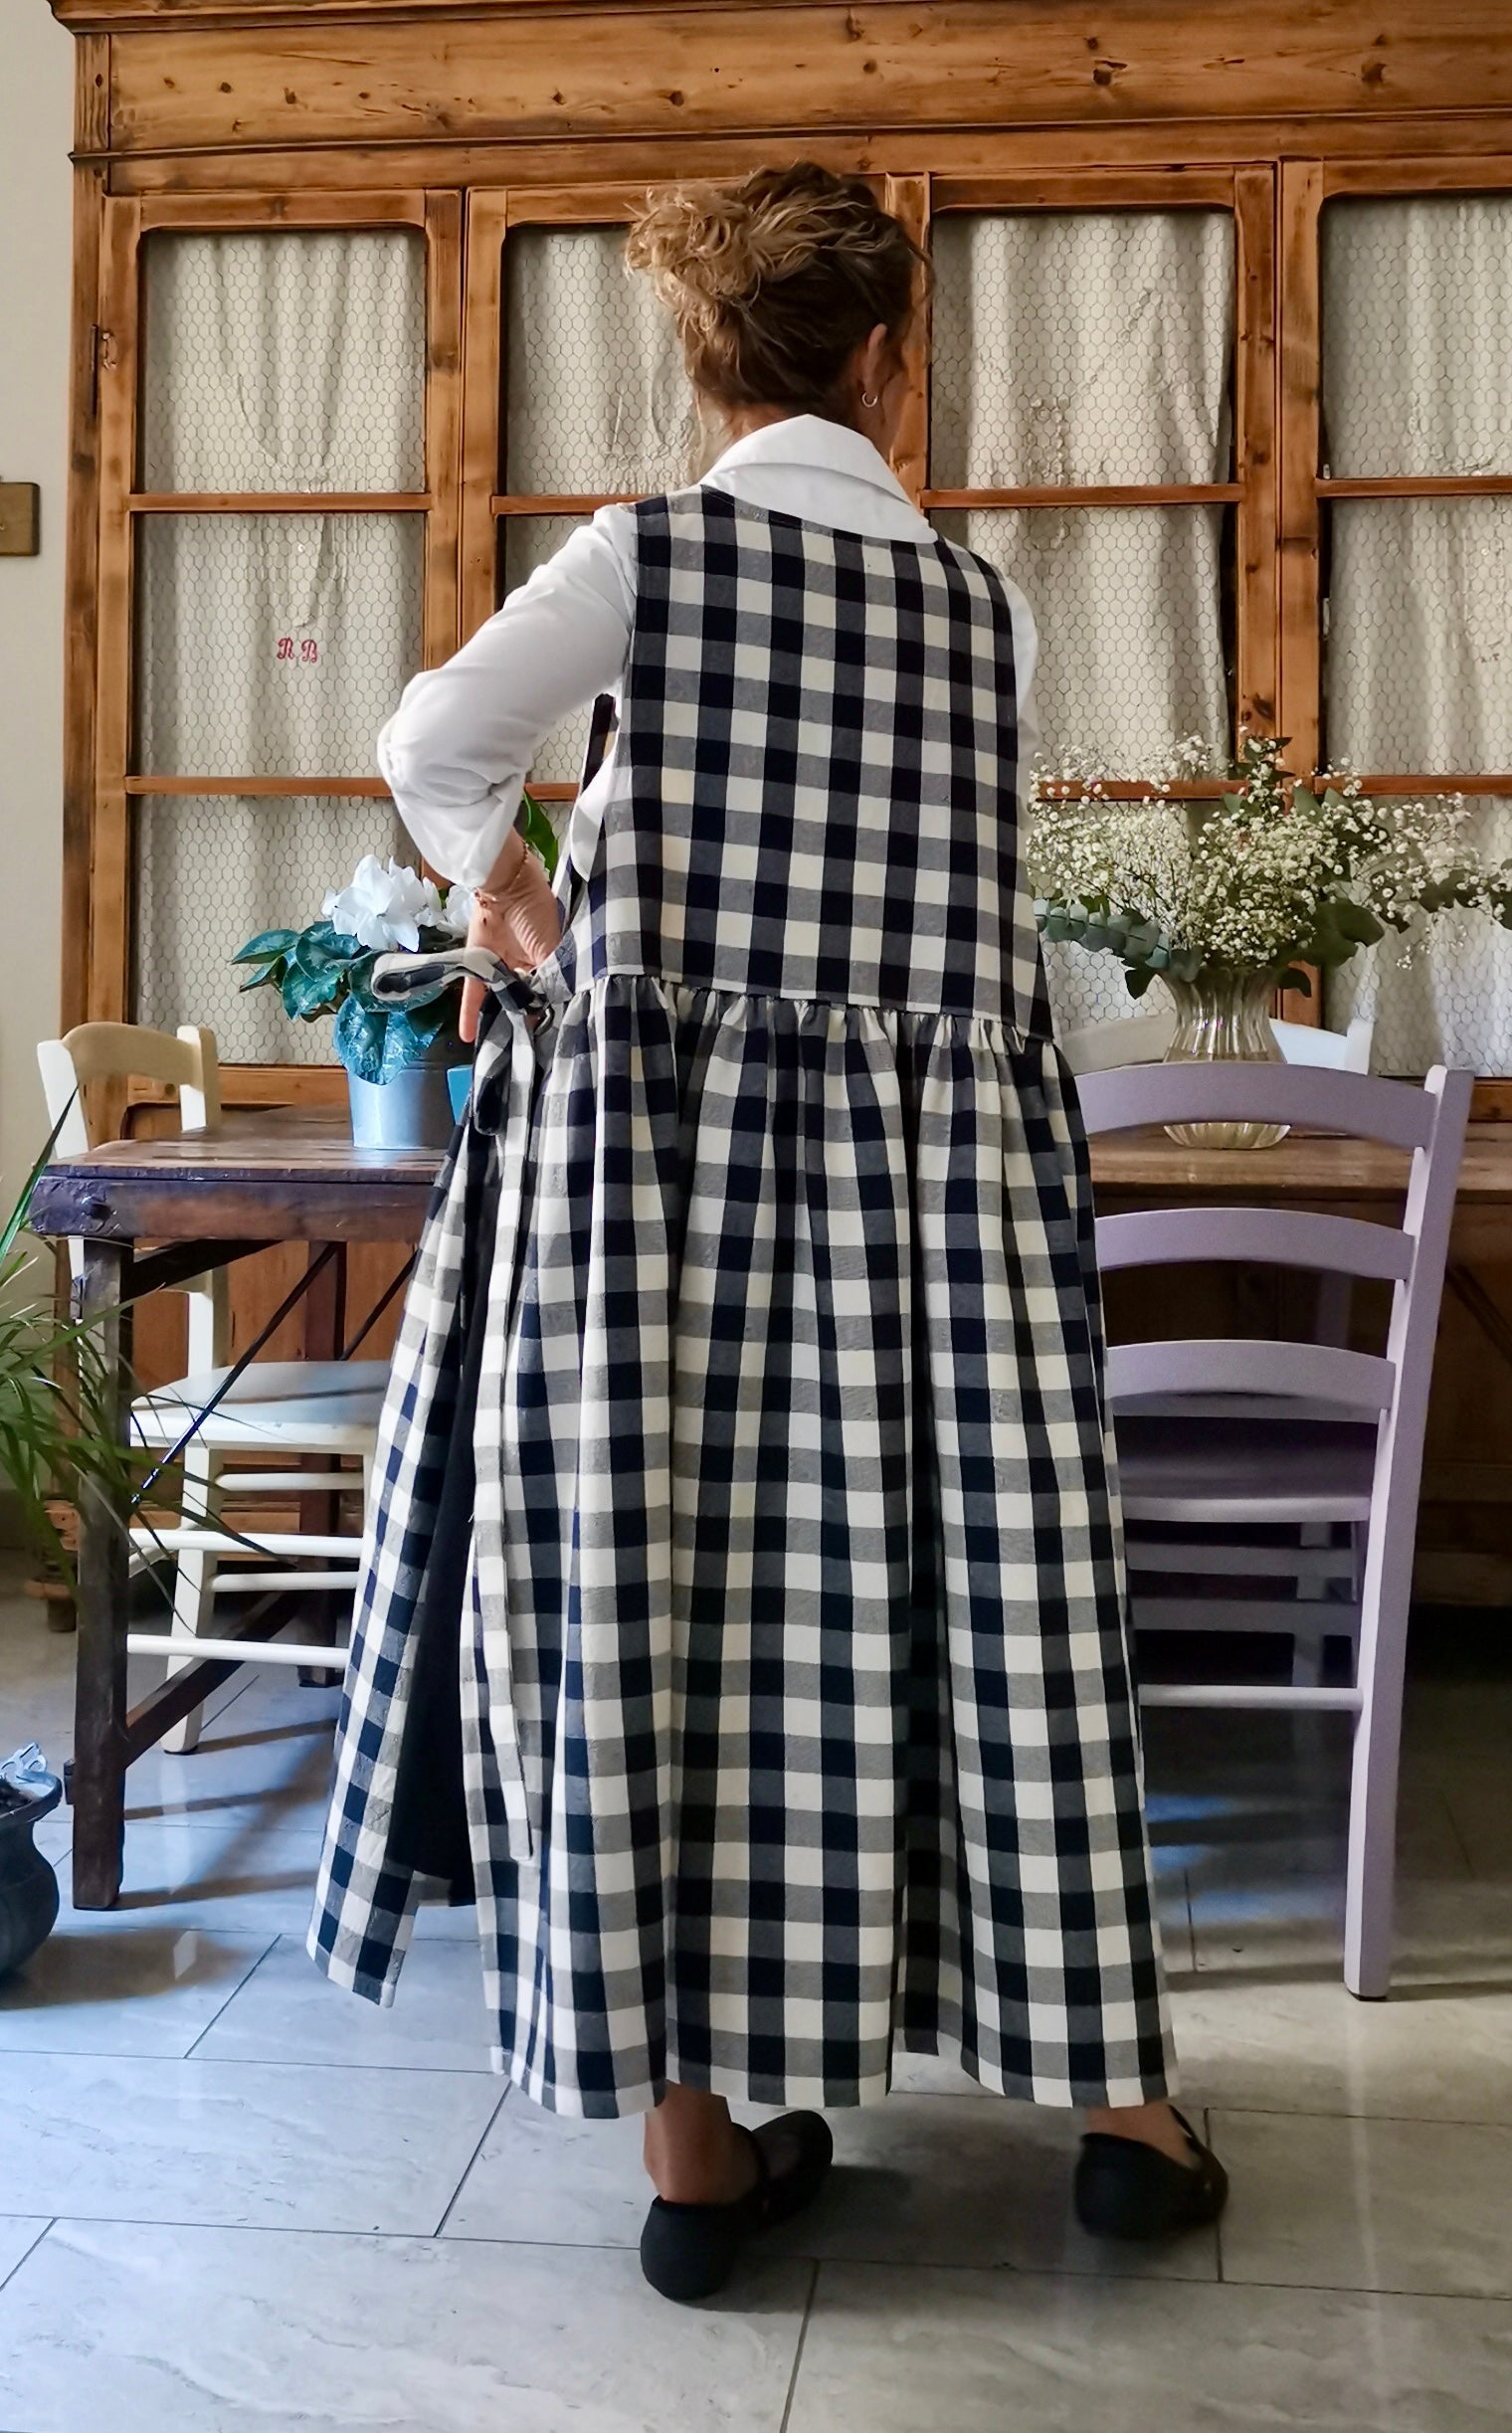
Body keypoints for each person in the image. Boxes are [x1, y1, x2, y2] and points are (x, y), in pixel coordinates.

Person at [309, 161, 1227, 2302]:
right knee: (988, 1603)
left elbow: (433, 736)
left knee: (658, 1603)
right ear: (889, 358)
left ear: (703, 359)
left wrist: (507, 886)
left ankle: (696, 2157)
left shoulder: (648, 558)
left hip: (655, 1202)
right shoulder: (980, 610)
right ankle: (1120, 2111)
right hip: (933, 1215)